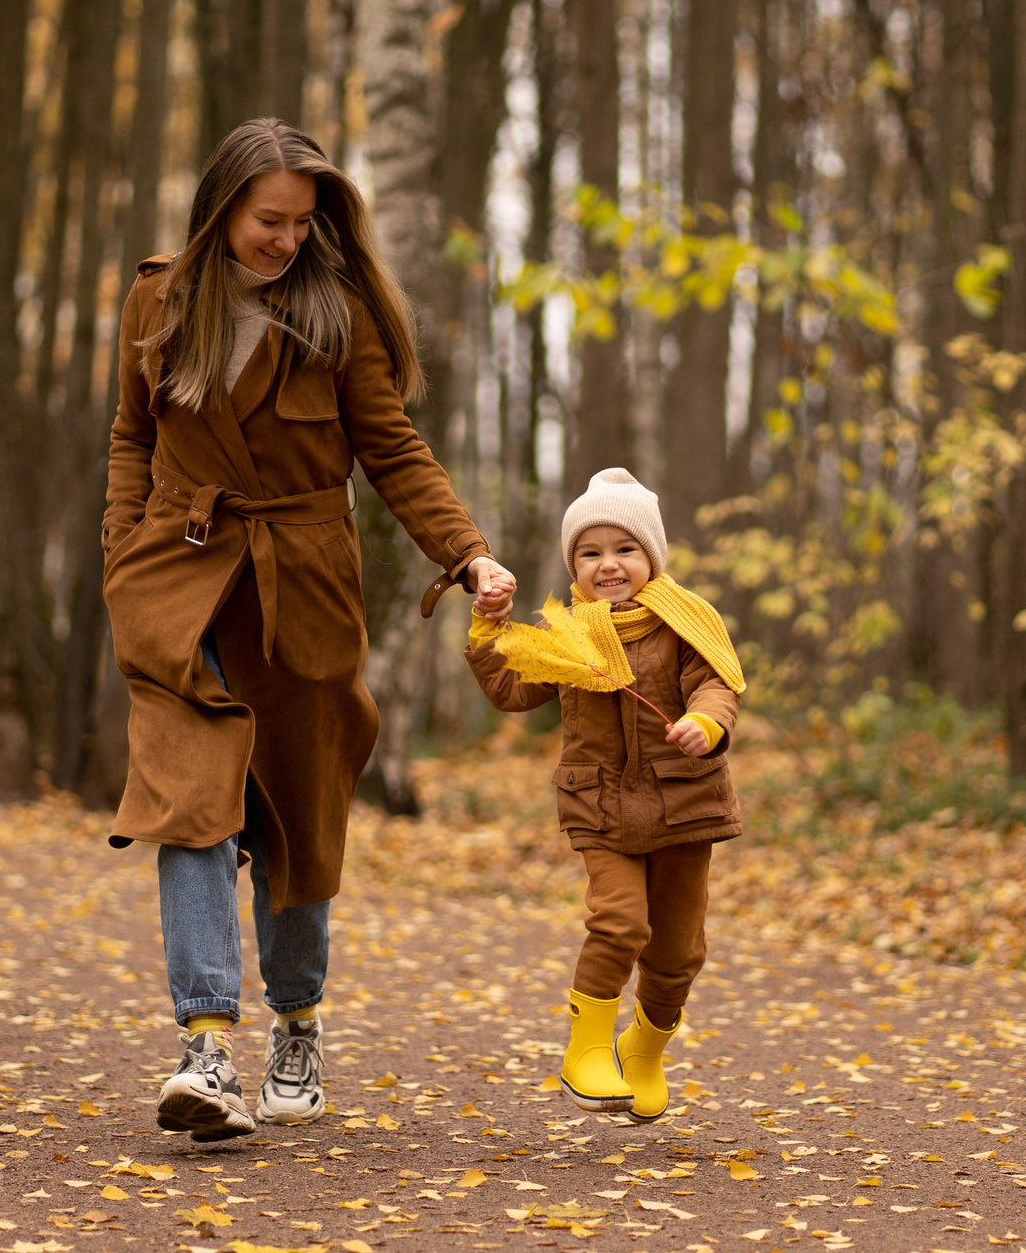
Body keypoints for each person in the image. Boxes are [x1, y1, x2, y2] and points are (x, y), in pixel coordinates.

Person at [102, 118, 516, 1142]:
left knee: (295, 816)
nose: (284, 240)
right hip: (181, 585)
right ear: (222, 208)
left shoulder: (338, 320)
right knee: (190, 807)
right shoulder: (157, 300)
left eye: (302, 222)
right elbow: (132, 436)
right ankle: (204, 1045)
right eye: (266, 220)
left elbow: (393, 450)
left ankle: (297, 1025)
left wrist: (466, 554)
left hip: (302, 592)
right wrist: (123, 557)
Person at [464, 468, 744, 1121]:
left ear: (652, 556)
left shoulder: (686, 622)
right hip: (601, 806)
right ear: (574, 565)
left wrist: (705, 723)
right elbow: (510, 687)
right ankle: (585, 1049)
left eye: (625, 549)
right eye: (590, 552)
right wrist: (488, 629)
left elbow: (717, 685)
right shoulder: (569, 633)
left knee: (677, 952)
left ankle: (642, 1049)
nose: (608, 564)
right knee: (620, 922)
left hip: (683, 802)